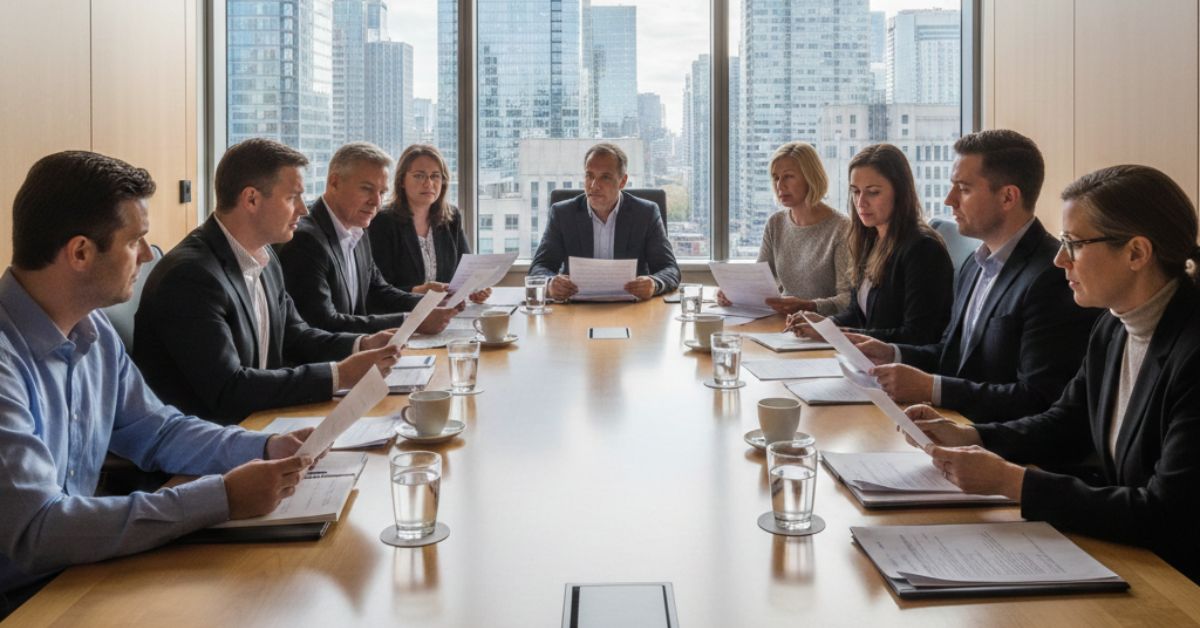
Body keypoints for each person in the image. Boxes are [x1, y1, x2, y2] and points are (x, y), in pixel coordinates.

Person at [0, 151, 316, 615]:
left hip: (78, 572)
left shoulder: (93, 329)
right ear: (81, 252)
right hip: (22, 600)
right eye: (135, 241)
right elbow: (37, 530)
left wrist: (265, 447)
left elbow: (158, 430)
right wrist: (221, 497)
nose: (148, 255)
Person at [908, 165, 1200, 583]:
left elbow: (1166, 513)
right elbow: (1066, 423)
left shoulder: (1191, 350)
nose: (1060, 259)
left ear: (1136, 253)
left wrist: (1014, 483)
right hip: (1132, 554)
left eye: (1074, 244)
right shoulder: (1113, 325)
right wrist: (972, 437)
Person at [134, 138, 401, 426]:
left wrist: (362, 344)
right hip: (217, 436)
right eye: (292, 198)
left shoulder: (266, 256)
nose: (303, 209)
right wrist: (339, 375)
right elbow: (228, 389)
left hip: (264, 420)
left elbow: (296, 335)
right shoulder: (191, 276)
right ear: (251, 199)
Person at [852, 130, 1100, 423]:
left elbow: (1037, 398)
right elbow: (951, 353)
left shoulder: (1051, 276)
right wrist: (893, 353)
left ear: (1008, 197)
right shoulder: (975, 262)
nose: (949, 200)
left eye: (964, 189)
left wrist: (933, 388)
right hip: (952, 424)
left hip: (993, 438)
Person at [277, 142, 460, 334]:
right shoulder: (305, 241)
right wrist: (412, 321)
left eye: (382, 192)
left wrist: (436, 302)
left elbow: (378, 291)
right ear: (334, 182)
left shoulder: (358, 228)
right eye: (366, 189)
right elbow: (324, 324)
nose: (376, 202)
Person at [788, 144, 953, 344]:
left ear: (900, 193)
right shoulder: (871, 239)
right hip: (865, 357)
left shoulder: (923, 250)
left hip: (901, 361)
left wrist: (836, 334)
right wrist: (825, 323)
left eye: (873, 192)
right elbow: (858, 313)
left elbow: (916, 336)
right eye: (856, 192)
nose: (861, 202)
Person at [529, 142, 680, 301]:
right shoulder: (563, 214)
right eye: (589, 176)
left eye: (605, 177)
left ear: (622, 181)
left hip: (631, 307)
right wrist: (550, 284)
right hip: (576, 307)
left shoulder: (645, 214)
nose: (594, 186)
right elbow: (539, 268)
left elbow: (670, 269)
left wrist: (654, 284)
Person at [716, 141, 851, 315]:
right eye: (776, 178)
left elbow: (847, 300)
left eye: (788, 176)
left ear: (811, 178)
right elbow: (759, 281)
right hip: (781, 322)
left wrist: (808, 305)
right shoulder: (776, 223)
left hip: (822, 325)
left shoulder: (841, 228)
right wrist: (733, 293)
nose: (780, 185)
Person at [367, 144, 490, 303]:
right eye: (419, 176)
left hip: (446, 310)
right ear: (402, 180)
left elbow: (467, 271)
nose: (428, 183)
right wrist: (417, 291)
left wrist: (475, 288)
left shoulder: (451, 218)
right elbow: (377, 290)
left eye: (435, 176)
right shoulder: (382, 221)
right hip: (402, 313)